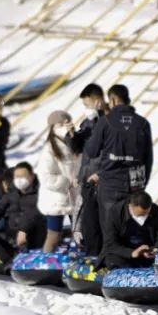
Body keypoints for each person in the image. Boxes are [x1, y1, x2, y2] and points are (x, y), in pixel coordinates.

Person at [85, 84, 154, 237]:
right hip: (135, 186)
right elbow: (148, 159)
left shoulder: (105, 121)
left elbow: (91, 151)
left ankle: (114, 260)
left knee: (111, 234)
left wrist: (95, 123)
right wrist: (142, 183)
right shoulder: (143, 123)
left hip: (110, 185)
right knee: (134, 232)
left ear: (114, 100)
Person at [67, 83, 109, 256]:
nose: (86, 109)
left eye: (87, 104)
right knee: (88, 222)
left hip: (102, 176)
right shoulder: (87, 123)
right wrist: (72, 135)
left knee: (102, 222)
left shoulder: (109, 119)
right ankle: (92, 255)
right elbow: (78, 149)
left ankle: (102, 256)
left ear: (98, 101)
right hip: (87, 176)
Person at [38, 110, 80, 253]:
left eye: (66, 123)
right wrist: (66, 182)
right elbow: (46, 176)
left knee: (79, 232)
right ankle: (44, 264)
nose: (63, 126)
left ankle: (82, 262)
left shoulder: (73, 143)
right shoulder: (49, 148)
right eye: (59, 124)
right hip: (56, 198)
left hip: (74, 196)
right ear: (52, 127)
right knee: (54, 234)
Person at [0, 162, 47, 255]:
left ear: (31, 176)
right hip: (13, 233)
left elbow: (34, 212)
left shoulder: (39, 191)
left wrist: (23, 230)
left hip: (33, 233)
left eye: (23, 176)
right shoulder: (12, 192)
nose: (19, 180)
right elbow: (0, 207)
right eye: (17, 177)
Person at [101, 191, 158, 269]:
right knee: (113, 259)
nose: (142, 218)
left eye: (146, 215)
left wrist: (154, 250)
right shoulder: (115, 212)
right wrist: (132, 253)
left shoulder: (156, 210)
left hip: (147, 253)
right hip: (125, 253)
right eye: (139, 215)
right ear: (130, 206)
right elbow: (111, 243)